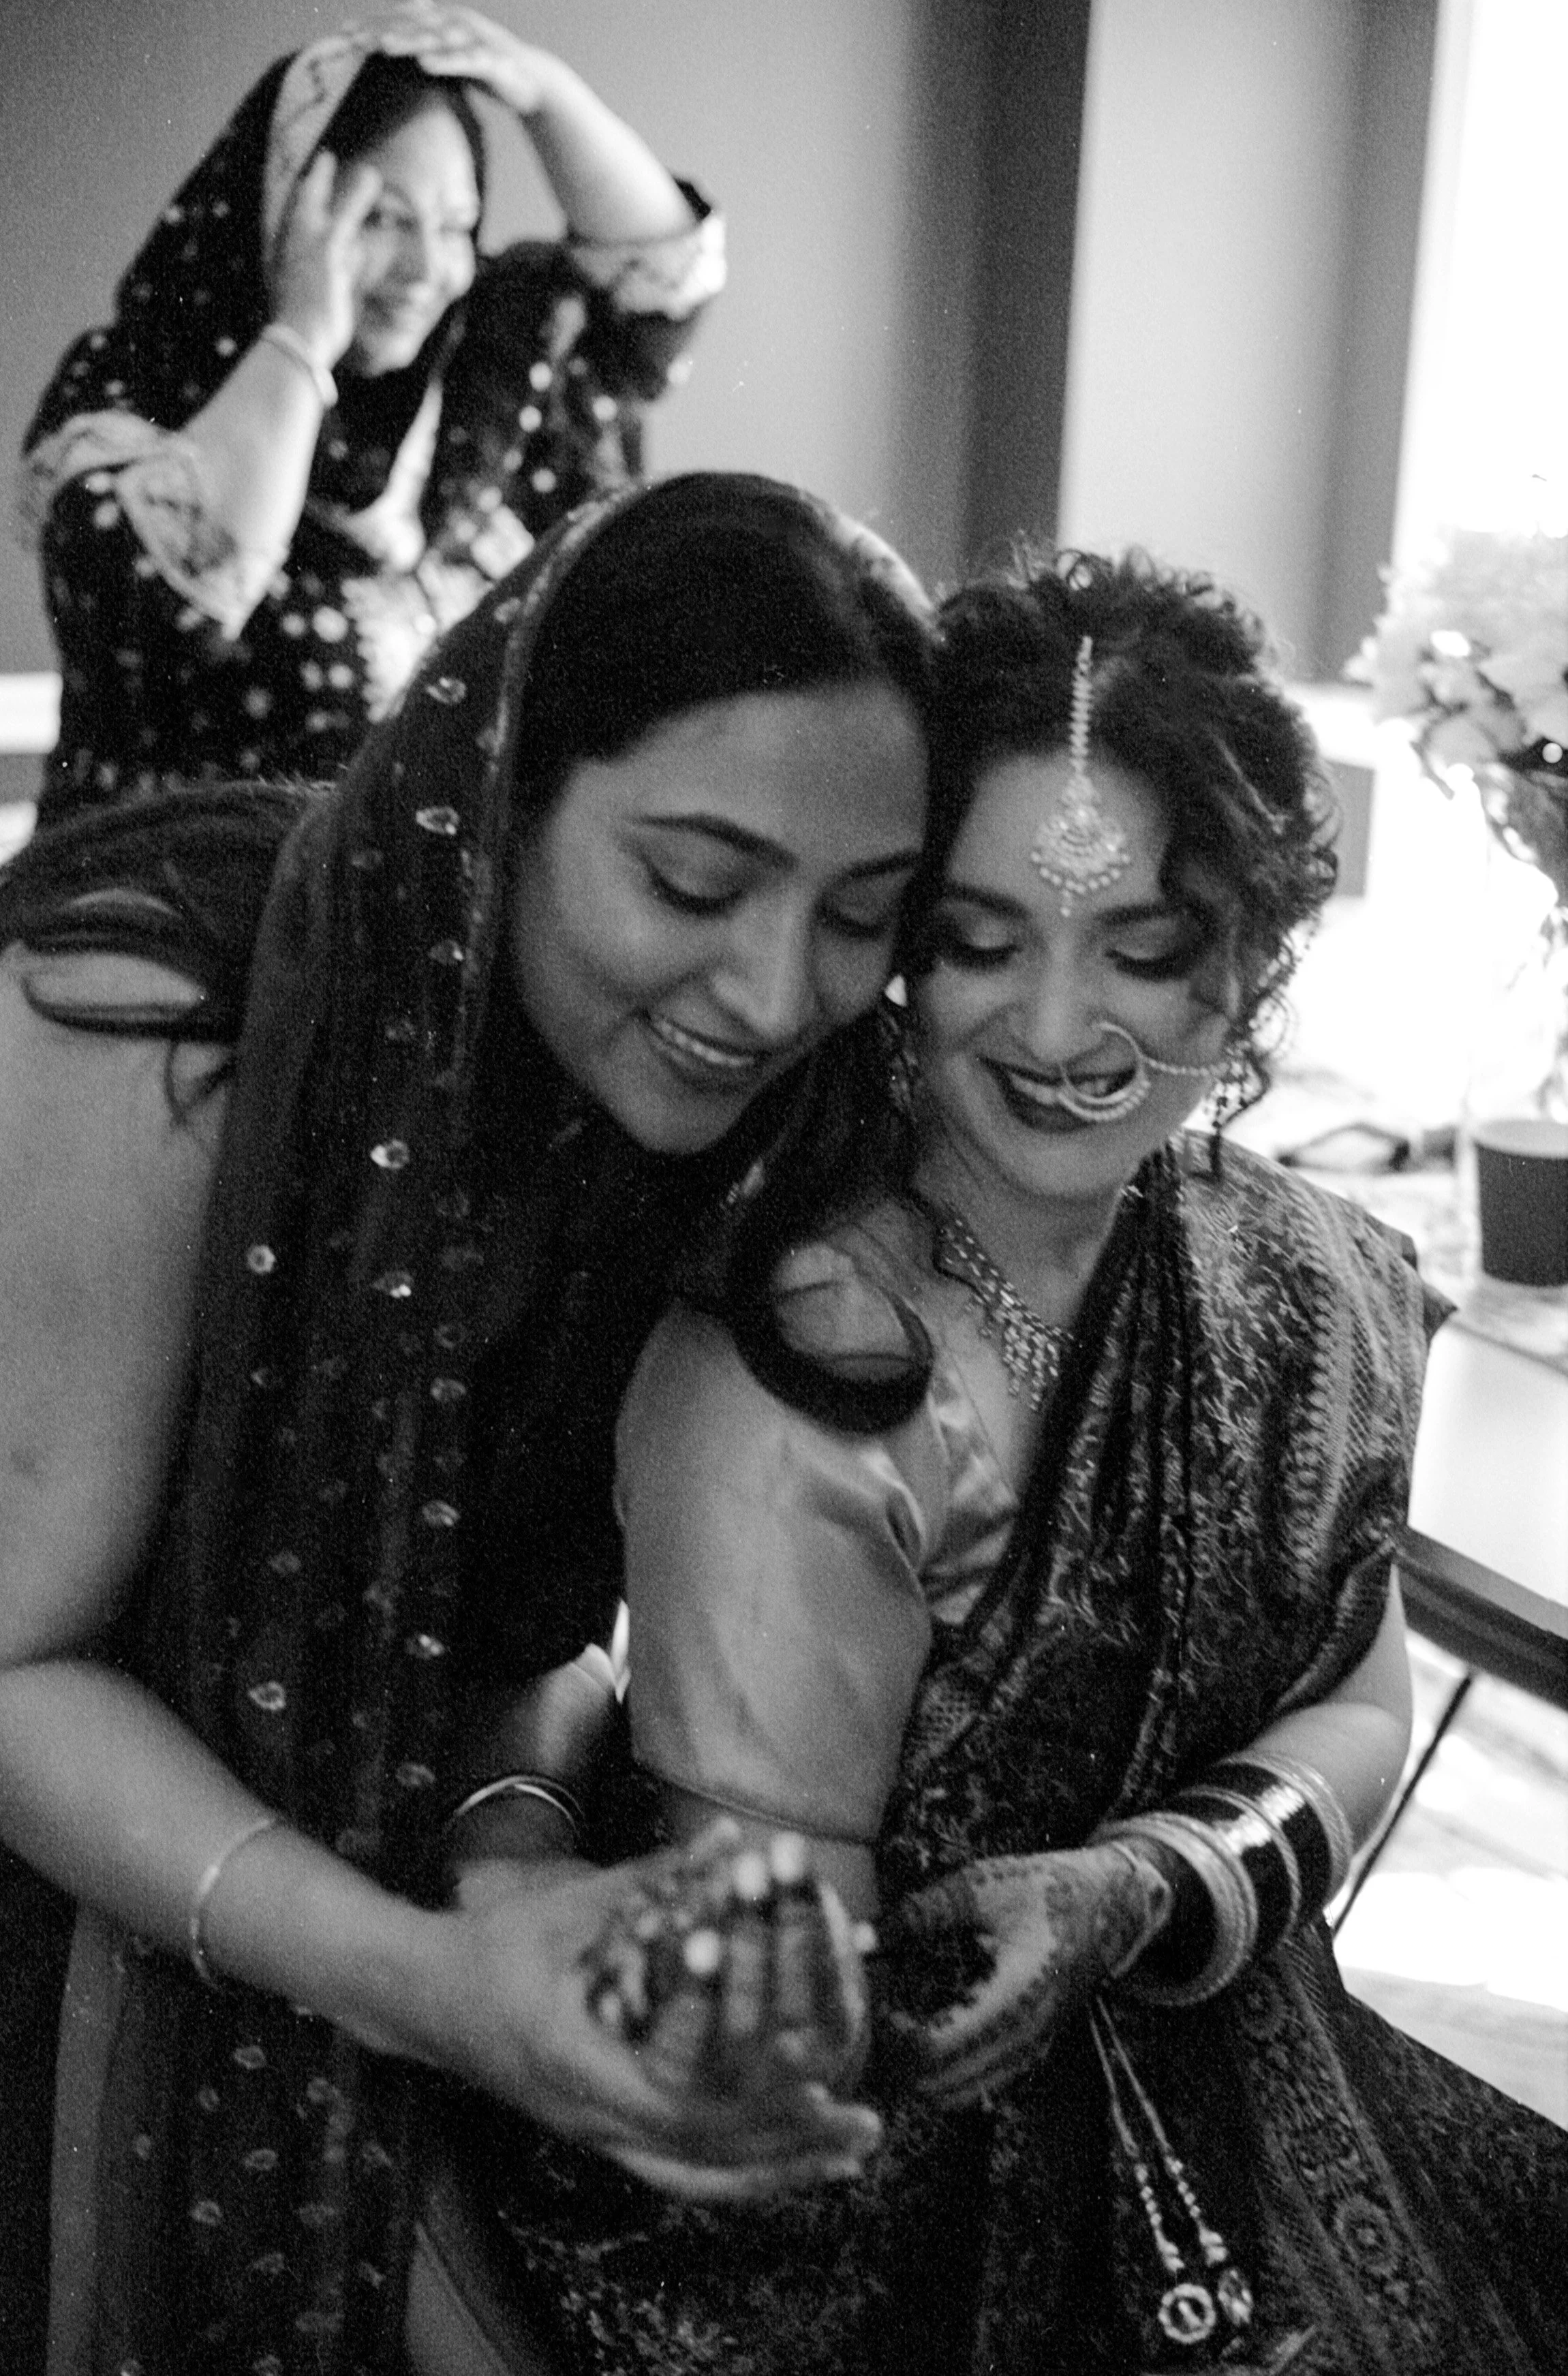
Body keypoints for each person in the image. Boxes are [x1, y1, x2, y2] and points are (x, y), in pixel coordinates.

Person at [450, 548, 1568, 2373]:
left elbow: (1359, 1698)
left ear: (1256, 953)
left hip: (1227, 2063)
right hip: (836, 2214)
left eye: (1143, 949)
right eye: (980, 943)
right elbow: (786, 2031)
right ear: (895, 951)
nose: (1056, 1031)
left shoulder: (1304, 1274)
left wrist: (1142, 1883)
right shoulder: (805, 1370)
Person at [0, 472, 936, 2376]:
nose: (774, 992)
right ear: (497, 795)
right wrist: (430, 1979)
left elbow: (518, 1629)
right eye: (692, 883)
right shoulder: (157, 1016)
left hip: (315, 1891)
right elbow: (12, 1663)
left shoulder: (688, 1114)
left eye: (861, 913)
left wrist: (515, 1856)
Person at [18, 0, 724, 824]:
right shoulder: (129, 401)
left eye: (456, 225)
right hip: (170, 893)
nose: (426, 268)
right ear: (280, 209)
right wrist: (302, 337)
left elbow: (661, 282)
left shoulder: (485, 384)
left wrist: (544, 90)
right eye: (382, 219)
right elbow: (193, 592)